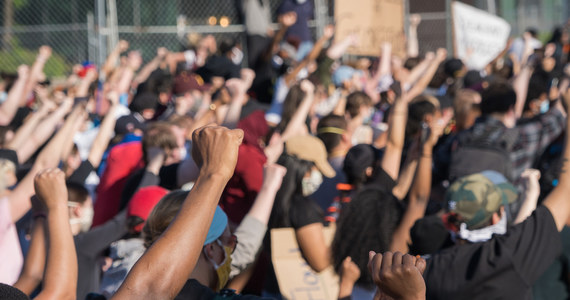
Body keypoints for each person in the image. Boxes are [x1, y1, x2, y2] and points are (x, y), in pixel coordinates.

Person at [421, 90, 570, 299]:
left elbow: (426, 188)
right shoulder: (509, 257)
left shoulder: (428, 268)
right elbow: (565, 190)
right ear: (496, 217)